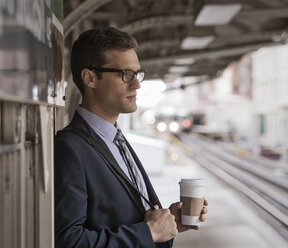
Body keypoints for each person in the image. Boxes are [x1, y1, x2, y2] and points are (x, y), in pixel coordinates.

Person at [54, 27, 208, 248]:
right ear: (90, 78)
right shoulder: (69, 148)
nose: (136, 84)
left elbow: (124, 218)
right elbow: (68, 242)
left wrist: (168, 223)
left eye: (137, 74)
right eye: (125, 74)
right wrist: (148, 232)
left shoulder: (115, 139)